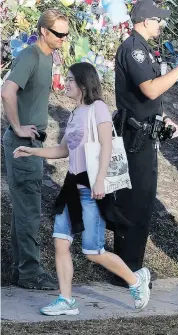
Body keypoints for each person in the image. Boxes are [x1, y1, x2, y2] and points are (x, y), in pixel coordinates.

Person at [13, 63, 151, 316]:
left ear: (84, 84)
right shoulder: (76, 112)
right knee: (61, 242)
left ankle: (135, 280)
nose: (65, 83)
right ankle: (66, 300)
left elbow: (106, 146)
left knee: (93, 250)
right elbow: (63, 150)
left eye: (69, 80)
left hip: (91, 188)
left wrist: (99, 181)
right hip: (71, 188)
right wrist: (32, 151)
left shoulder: (98, 109)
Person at [111, 0, 178, 286]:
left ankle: (129, 267)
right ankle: (126, 270)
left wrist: (163, 119)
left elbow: (149, 99)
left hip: (144, 132)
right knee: (134, 202)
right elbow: (149, 90)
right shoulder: (133, 50)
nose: (161, 24)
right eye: (158, 19)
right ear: (146, 21)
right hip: (134, 136)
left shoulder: (142, 49)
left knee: (142, 201)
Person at [1, 9, 69, 290]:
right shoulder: (31, 55)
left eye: (66, 34)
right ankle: (30, 273)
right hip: (24, 144)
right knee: (29, 210)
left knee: (24, 210)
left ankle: (22, 270)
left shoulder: (46, 56)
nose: (63, 39)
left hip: (32, 142)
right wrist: (18, 128)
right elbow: (7, 90)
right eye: (59, 34)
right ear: (44, 31)